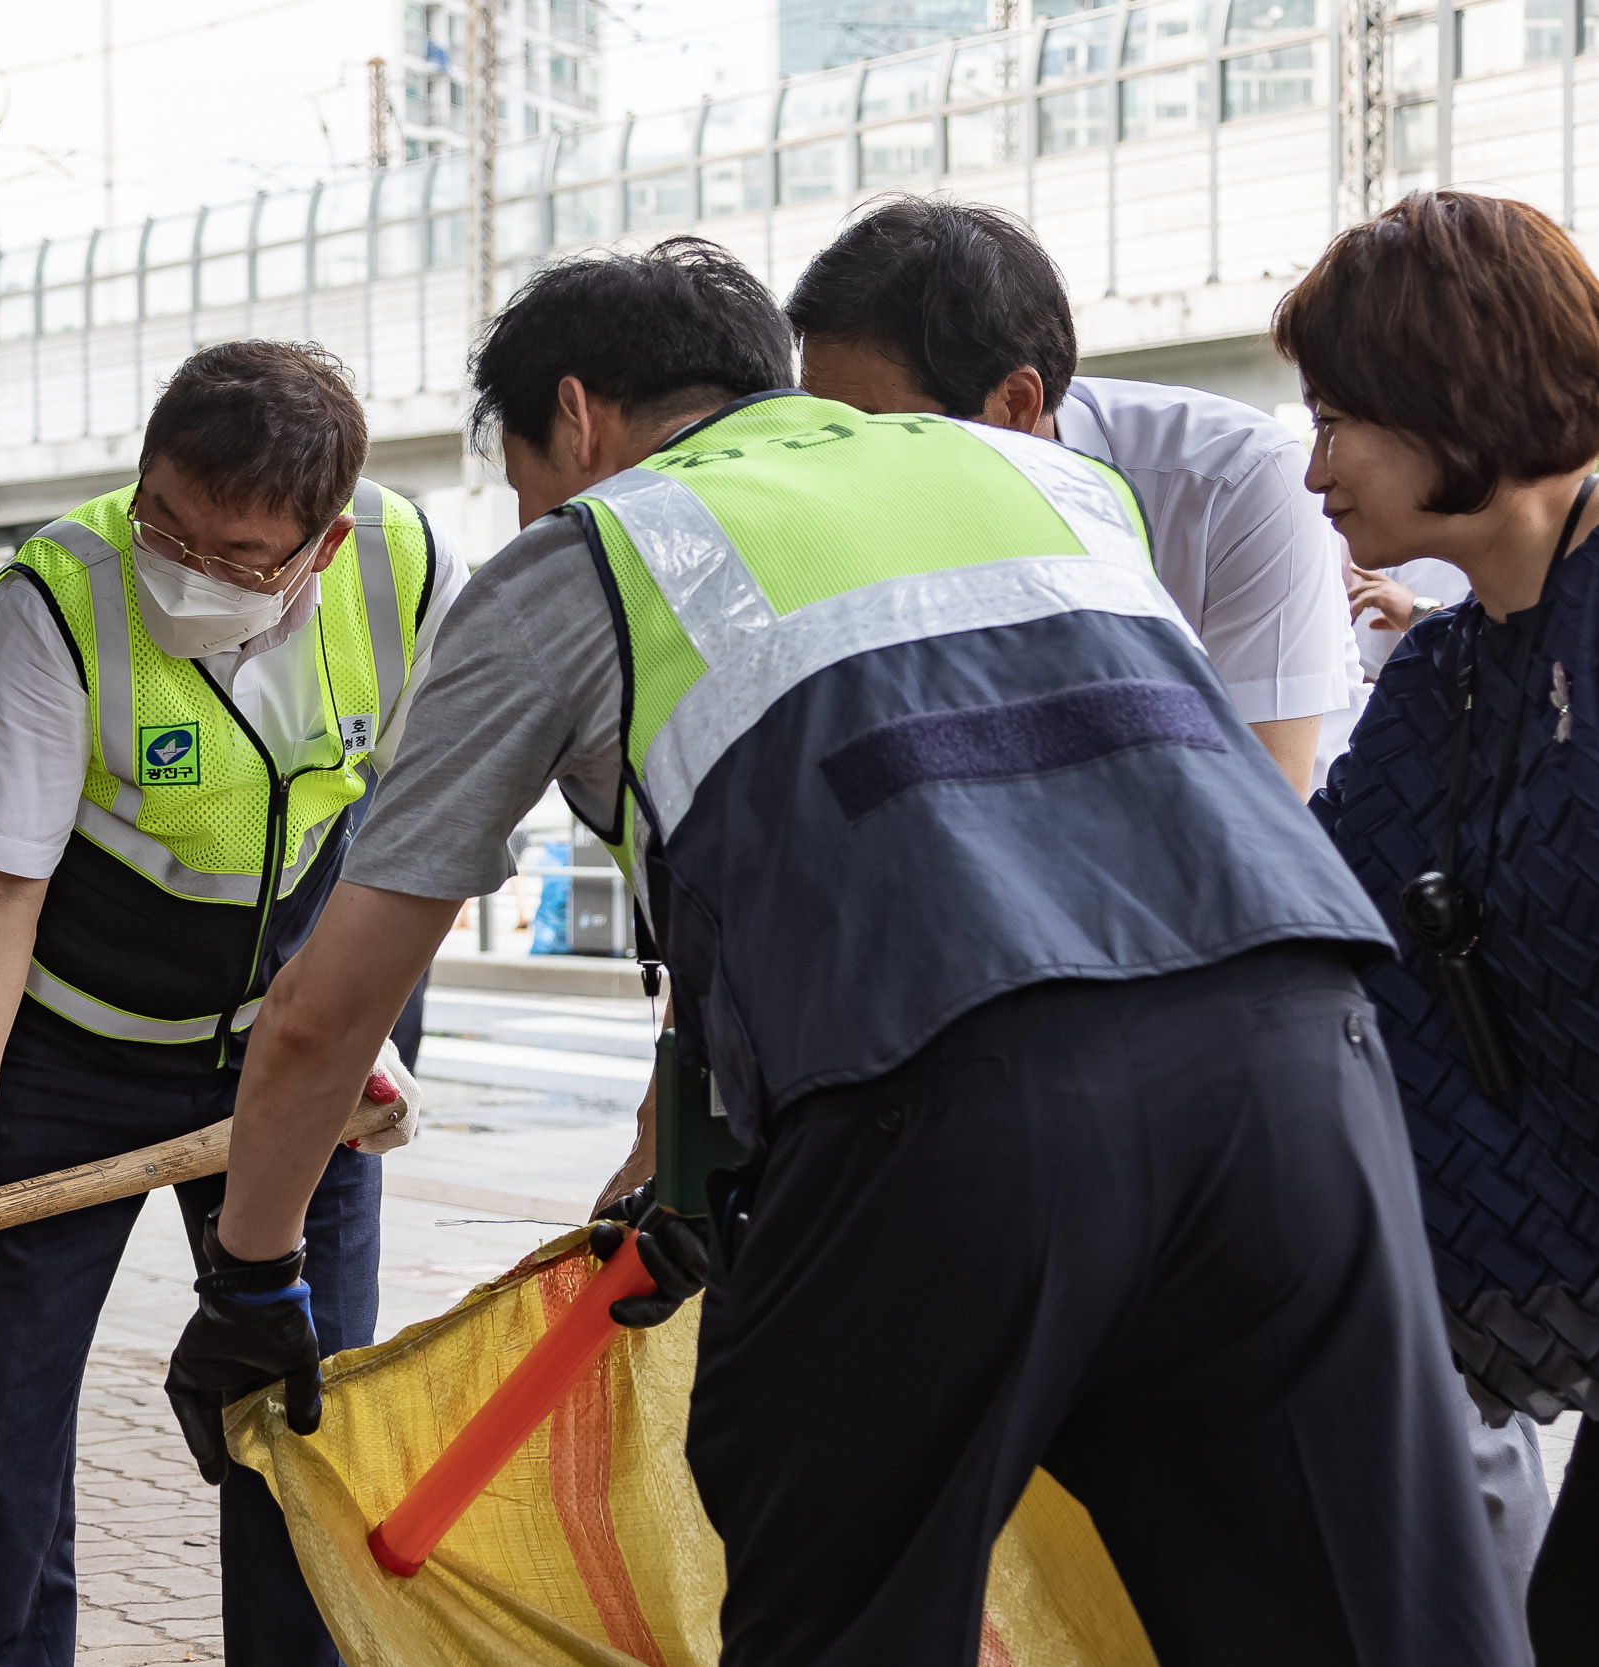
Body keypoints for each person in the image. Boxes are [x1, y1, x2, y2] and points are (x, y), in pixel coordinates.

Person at [167, 237, 1525, 1666]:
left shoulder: (594, 551)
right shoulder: (1044, 478)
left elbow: (327, 1011)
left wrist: (252, 1282)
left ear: (575, 417)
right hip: (1305, 1067)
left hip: (949, 1113)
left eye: (521, 477)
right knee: (1360, 1609)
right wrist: (696, 1159)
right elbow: (912, 824)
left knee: (847, 1603)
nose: (531, 509)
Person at [0, 340, 459, 1667]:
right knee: (2, 1401)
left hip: (300, 1049)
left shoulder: (406, 573)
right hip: (75, 1053)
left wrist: (377, 1035)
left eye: (237, 552)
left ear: (324, 536)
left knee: (300, 1400)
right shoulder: (53, 600)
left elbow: (428, 839)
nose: (184, 567)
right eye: (162, 522)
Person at [1290, 189, 1599, 1663]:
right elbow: (1307, 911)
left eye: (1339, 417)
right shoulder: (1447, 678)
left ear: (1447, 387)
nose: (1313, 469)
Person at [787, 197, 1350, 796]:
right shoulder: (840, 511)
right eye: (818, 429)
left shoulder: (1234, 482)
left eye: (873, 427)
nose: (837, 465)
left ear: (1014, 406)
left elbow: (1261, 804)